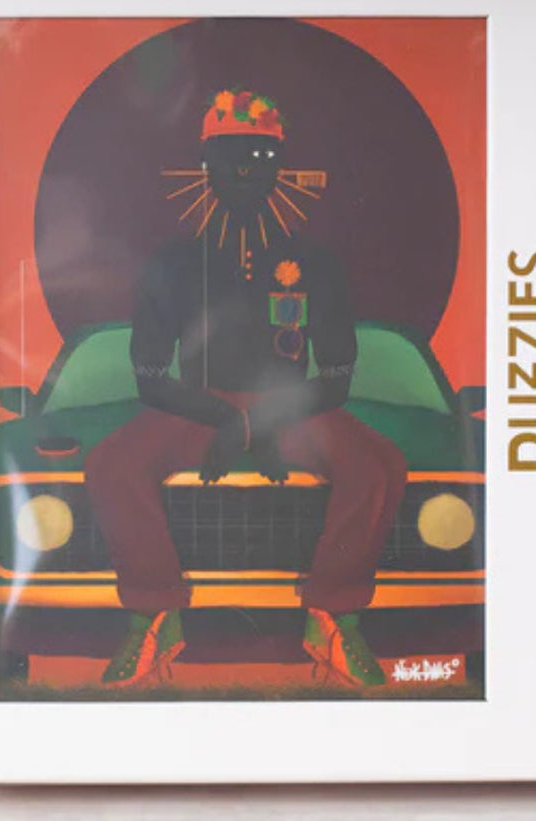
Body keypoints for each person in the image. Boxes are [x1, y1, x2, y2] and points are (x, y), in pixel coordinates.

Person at [85, 89, 406, 688]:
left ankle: (333, 617)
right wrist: (226, 420)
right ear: (203, 166)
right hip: (194, 407)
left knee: (378, 463)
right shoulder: (170, 264)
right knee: (111, 462)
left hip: (295, 409)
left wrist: (261, 422)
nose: (243, 171)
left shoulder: (317, 264)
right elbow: (148, 375)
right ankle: (154, 615)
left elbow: (337, 374)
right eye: (228, 156)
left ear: (281, 167)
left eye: (261, 156)